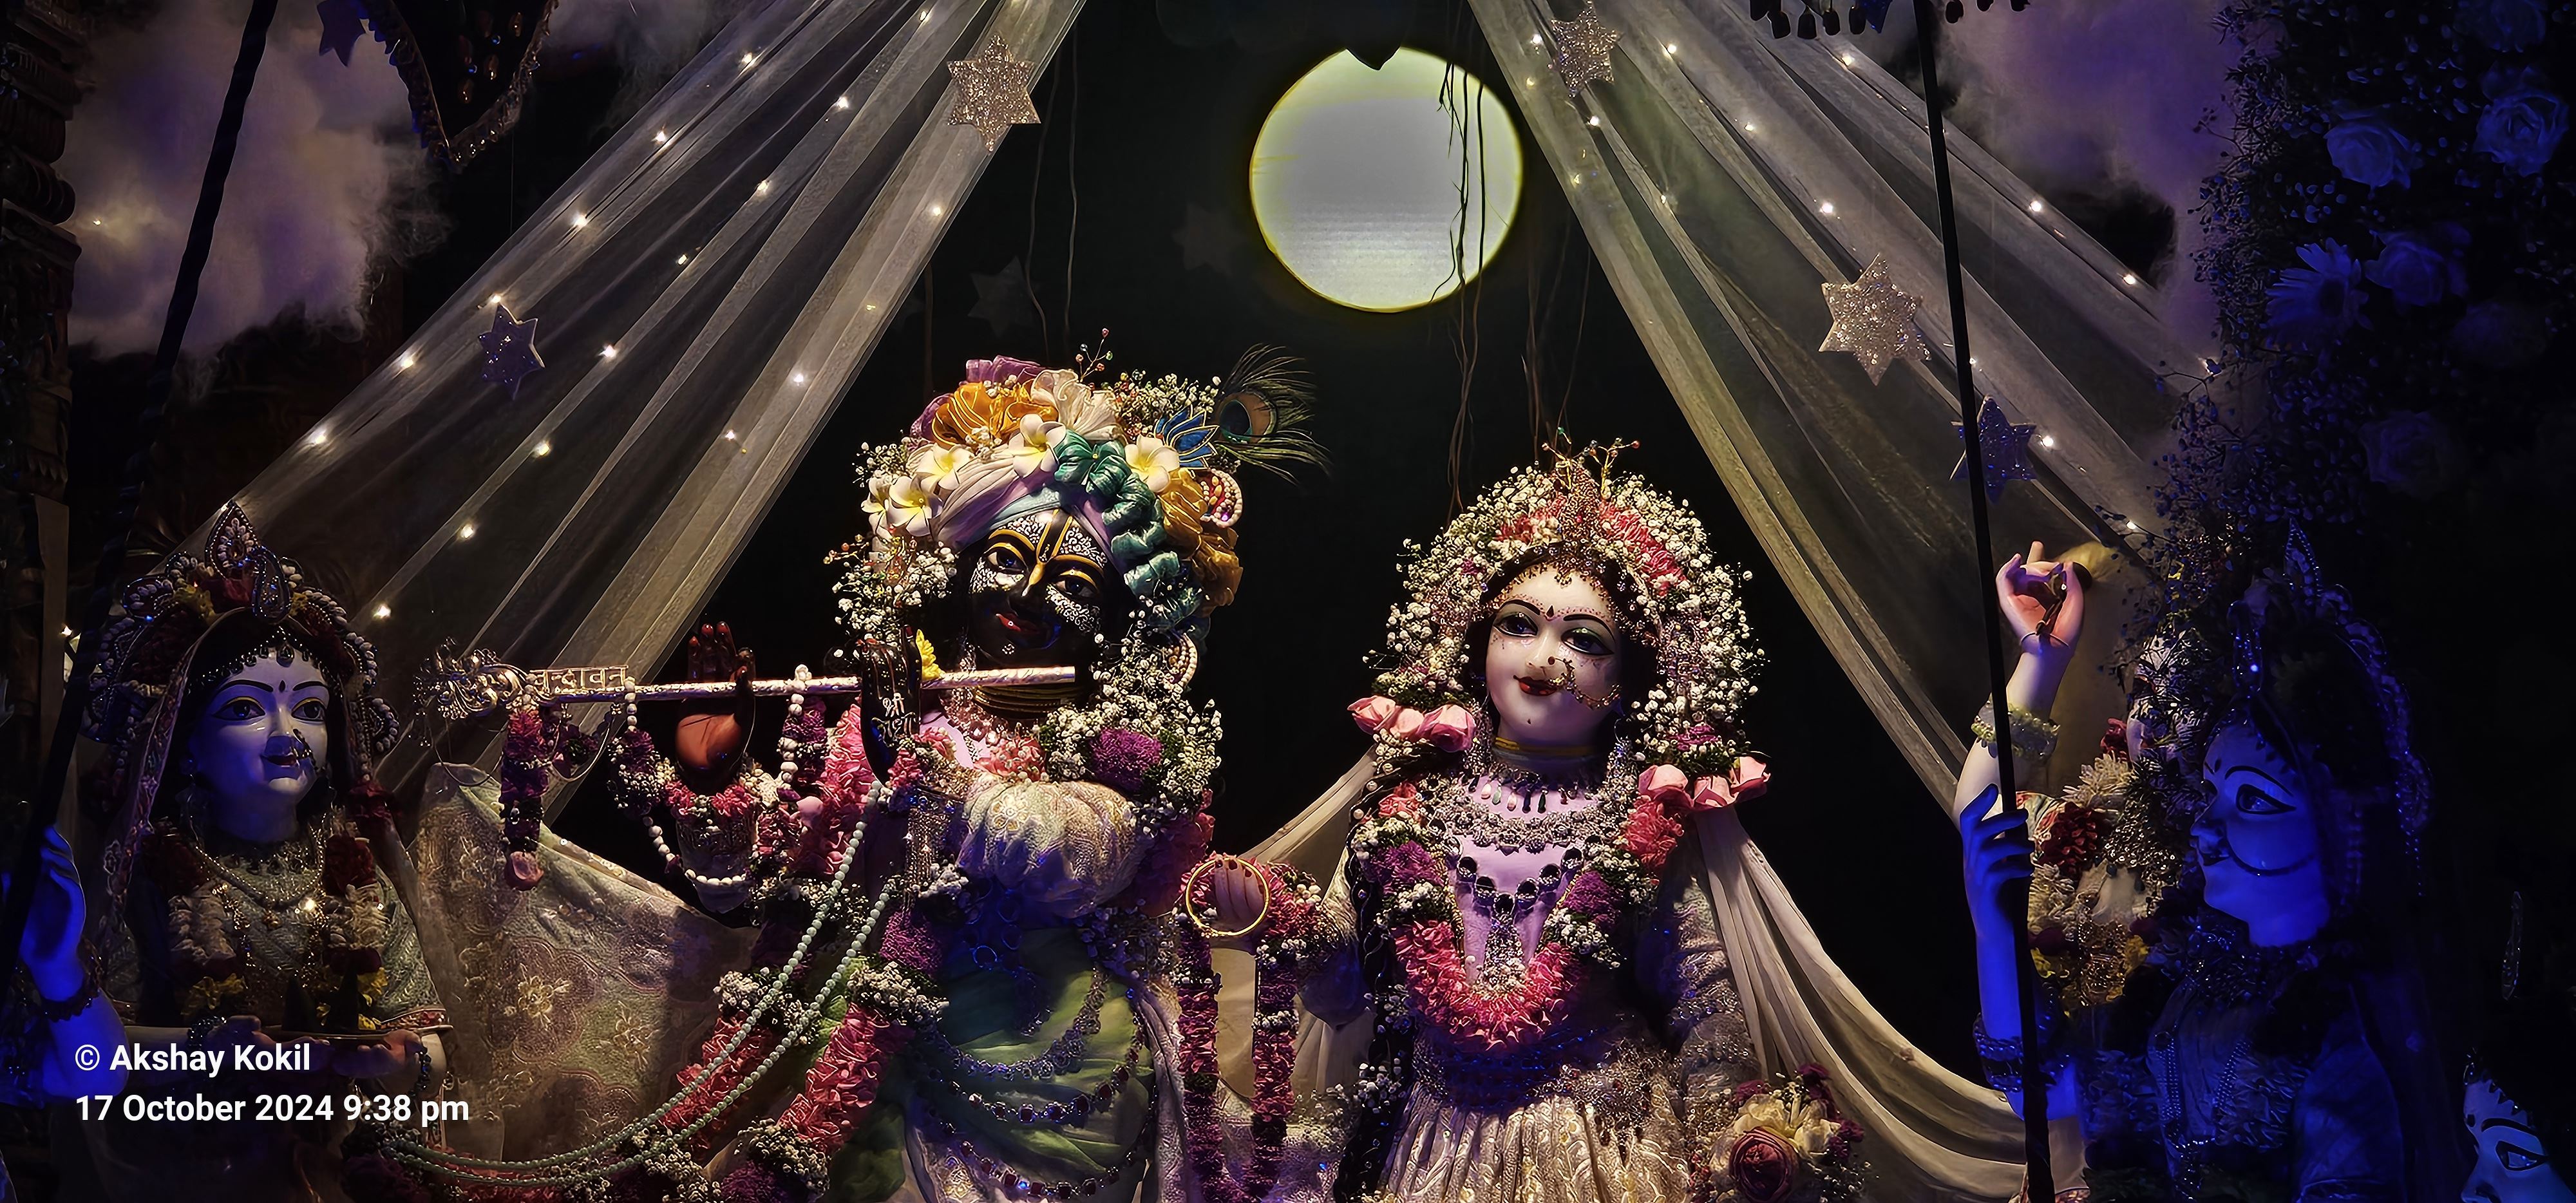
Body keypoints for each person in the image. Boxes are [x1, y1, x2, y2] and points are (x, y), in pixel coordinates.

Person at [370, 350, 1327, 1203]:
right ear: (958, 566)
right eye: (1005, 558)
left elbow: (1074, 851)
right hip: (858, 1061)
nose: (1030, 591)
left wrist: (915, 763)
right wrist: (718, 785)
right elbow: (761, 892)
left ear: (1110, 613)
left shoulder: (1113, 745)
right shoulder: (886, 716)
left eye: (1073, 582)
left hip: (1048, 1080)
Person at [1957, 534, 2450, 1201]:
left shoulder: (2333, 1003)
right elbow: (1982, 816)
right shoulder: (2121, 862)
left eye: (2178, 703)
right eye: (2141, 692)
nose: (2151, 722)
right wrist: (2041, 663)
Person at [69, 504, 445, 1202]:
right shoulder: (146, 876)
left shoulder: (356, 877)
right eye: (246, 709)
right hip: (190, 1171)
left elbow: (428, 1052)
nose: (287, 734)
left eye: (309, 709)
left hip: (331, 1171)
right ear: (183, 740)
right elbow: (92, 1054)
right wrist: (206, 1051)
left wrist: (394, 1063)